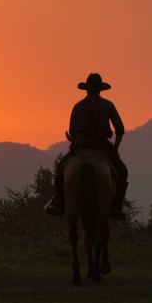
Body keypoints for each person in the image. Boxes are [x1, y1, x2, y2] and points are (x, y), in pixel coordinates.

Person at [45, 73, 129, 220]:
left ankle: (58, 203)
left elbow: (72, 132)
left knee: (60, 169)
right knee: (122, 172)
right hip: (103, 146)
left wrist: (75, 140)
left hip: (81, 145)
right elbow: (120, 130)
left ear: (86, 89)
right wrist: (115, 149)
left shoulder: (78, 107)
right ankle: (117, 207)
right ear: (100, 90)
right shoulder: (108, 105)